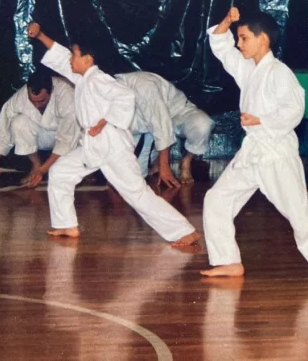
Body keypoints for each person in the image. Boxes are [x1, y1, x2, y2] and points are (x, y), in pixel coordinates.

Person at [200, 8, 308, 284]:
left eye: (244, 38)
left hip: (276, 153)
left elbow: (294, 109)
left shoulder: (280, 73)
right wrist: (227, 22)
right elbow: (221, 46)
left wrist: (262, 119)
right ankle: (227, 260)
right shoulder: (248, 69)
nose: (238, 44)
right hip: (252, 152)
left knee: (297, 211)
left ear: (263, 39)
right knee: (217, 199)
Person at [26, 22, 200, 246]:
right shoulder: (83, 78)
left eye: (75, 55)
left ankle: (183, 231)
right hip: (94, 145)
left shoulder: (99, 79)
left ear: (88, 60)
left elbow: (125, 96)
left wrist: (104, 120)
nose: (70, 59)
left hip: (111, 144)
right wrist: (40, 35)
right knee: (60, 172)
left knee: (135, 192)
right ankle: (66, 224)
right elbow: (61, 58)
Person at [115, 72, 214, 187]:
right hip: (146, 131)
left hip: (177, 112)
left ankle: (186, 160)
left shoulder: (143, 85)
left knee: (202, 124)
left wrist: (165, 167)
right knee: (136, 176)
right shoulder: (102, 99)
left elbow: (161, 123)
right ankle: (155, 159)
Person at [0, 69, 79, 187]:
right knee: (19, 122)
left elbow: (67, 139)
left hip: (75, 139)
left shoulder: (67, 95)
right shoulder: (21, 95)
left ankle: (79, 170)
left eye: (41, 101)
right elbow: (2, 127)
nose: (36, 105)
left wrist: (42, 171)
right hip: (46, 136)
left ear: (52, 91)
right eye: (32, 101)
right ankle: (36, 165)